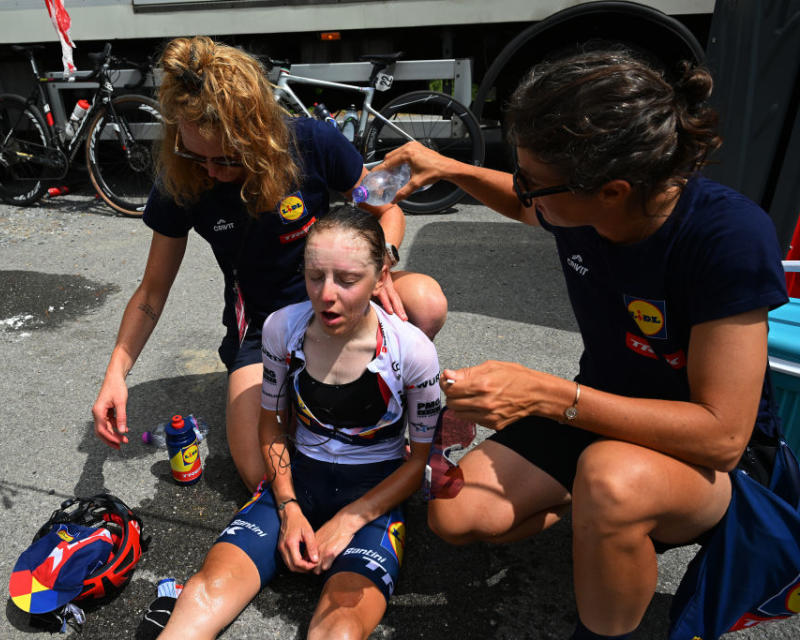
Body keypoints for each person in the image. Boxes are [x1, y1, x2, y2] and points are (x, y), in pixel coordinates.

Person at [378, 49, 789, 640]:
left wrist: (549, 396)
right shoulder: (579, 208)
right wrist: (443, 167)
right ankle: (601, 521)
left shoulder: (726, 235)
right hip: (597, 412)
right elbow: (522, 203)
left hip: (711, 464)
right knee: (457, 514)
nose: (525, 193)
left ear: (613, 190)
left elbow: (723, 436)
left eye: (534, 182)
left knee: (608, 478)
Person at [91, 37, 447, 490]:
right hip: (262, 326)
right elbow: (151, 293)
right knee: (260, 477)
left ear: (256, 134)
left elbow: (388, 208)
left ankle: (392, 396)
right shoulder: (181, 181)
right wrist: (115, 373)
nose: (210, 172)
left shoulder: (313, 143)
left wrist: (385, 266)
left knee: (426, 302)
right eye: (192, 155)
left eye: (223, 158)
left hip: (337, 302)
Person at [137, 205, 442, 640]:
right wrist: (288, 505)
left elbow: (418, 464)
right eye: (314, 276)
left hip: (374, 493)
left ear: (380, 278)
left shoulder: (411, 351)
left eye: (348, 280)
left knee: (337, 631)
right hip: (298, 480)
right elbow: (272, 427)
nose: (326, 295)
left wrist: (351, 519)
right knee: (204, 594)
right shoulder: (283, 327)